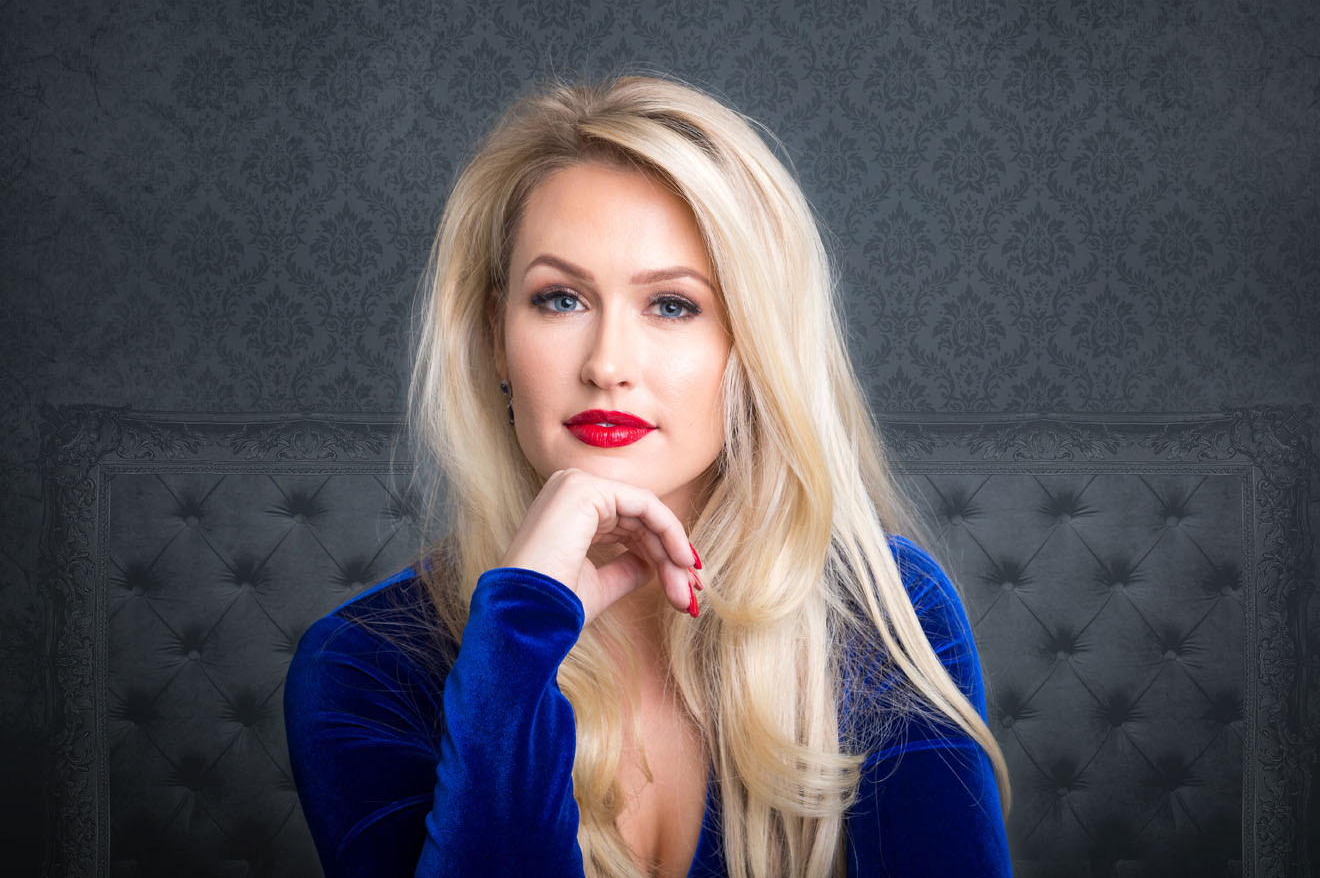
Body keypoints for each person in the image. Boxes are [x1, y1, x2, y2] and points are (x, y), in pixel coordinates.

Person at [284, 74, 1011, 877]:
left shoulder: (880, 613)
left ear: (753, 346)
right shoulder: (364, 665)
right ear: (495, 336)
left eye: (672, 305)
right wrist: (517, 643)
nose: (607, 365)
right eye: (560, 299)